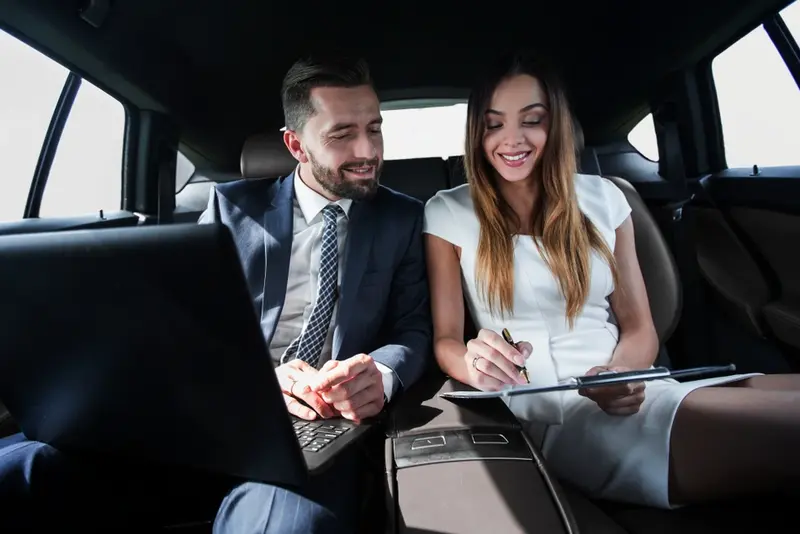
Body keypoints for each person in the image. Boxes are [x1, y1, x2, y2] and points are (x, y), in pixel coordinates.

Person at [0, 55, 431, 534]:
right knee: (24, 469)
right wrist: (260, 381)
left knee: (280, 524)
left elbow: (412, 327)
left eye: (375, 129)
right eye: (342, 134)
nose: (368, 149)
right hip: (213, 418)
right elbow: (185, 329)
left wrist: (382, 373)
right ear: (295, 145)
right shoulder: (232, 208)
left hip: (322, 424)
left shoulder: (403, 219)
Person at [422, 52, 800, 510]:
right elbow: (446, 341)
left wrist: (620, 375)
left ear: (555, 124)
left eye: (532, 120)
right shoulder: (447, 211)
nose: (512, 139)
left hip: (640, 388)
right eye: (493, 124)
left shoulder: (605, 197)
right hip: (554, 413)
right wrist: (475, 366)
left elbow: (639, 326)